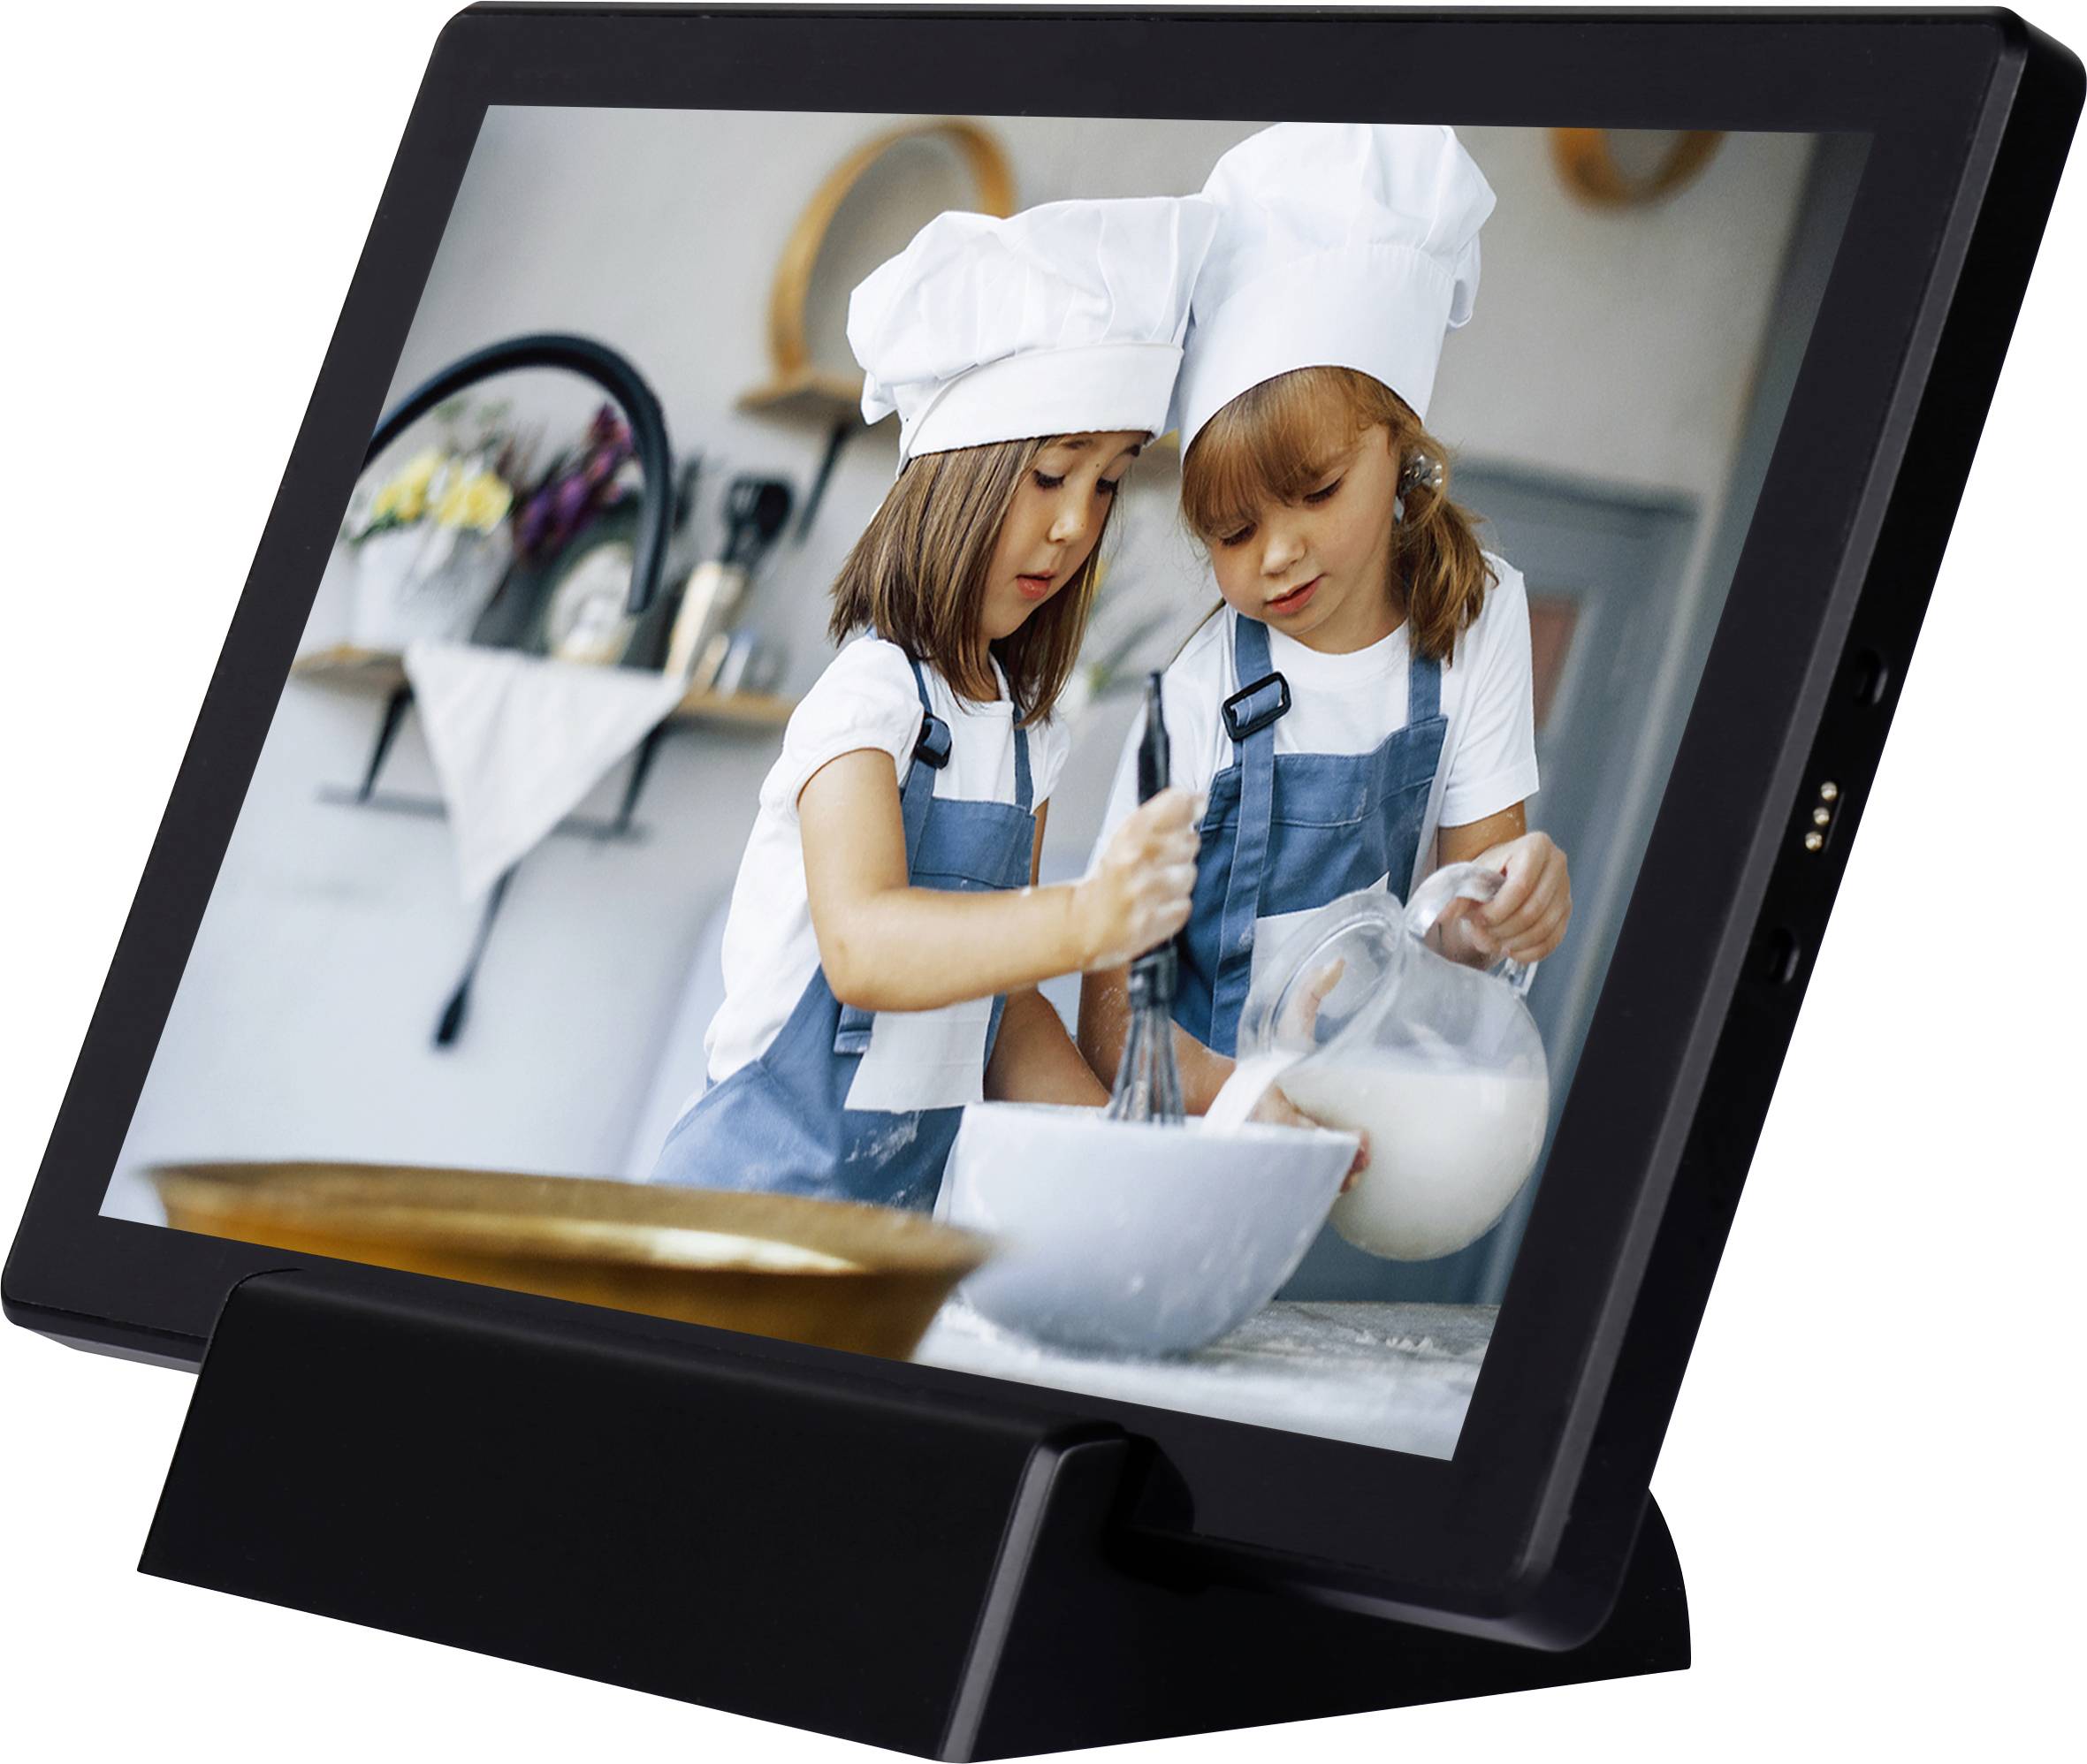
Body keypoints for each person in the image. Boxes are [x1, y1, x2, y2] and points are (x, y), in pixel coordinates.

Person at [652, 195, 1216, 1209]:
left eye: (1108, 484)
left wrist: (1128, 1165)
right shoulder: (869, 698)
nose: (1074, 527)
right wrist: (1085, 917)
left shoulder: (1030, 730)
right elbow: (865, 948)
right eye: (1050, 475)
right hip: (740, 1210)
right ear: (957, 475)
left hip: (888, 1232)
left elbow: (1003, 999)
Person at [1078, 125, 1573, 1118]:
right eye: (1231, 529)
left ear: (1400, 446)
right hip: (1184, 1128)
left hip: (1347, 1120)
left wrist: (1501, 914)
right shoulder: (1196, 689)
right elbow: (1109, 1005)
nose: (1276, 554)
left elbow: (1456, 946)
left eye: (1316, 491)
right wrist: (1235, 1098)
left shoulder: (1478, 622)